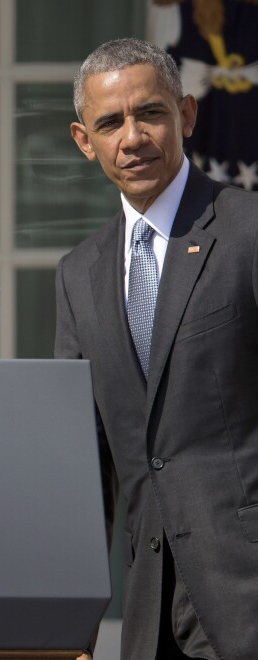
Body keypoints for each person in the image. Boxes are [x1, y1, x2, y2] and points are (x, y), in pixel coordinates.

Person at [56, 38, 258, 660]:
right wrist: (69, 633)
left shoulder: (248, 231)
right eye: (110, 123)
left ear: (188, 116)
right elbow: (81, 469)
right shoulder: (78, 272)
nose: (133, 137)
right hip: (147, 615)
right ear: (84, 140)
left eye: (151, 114)